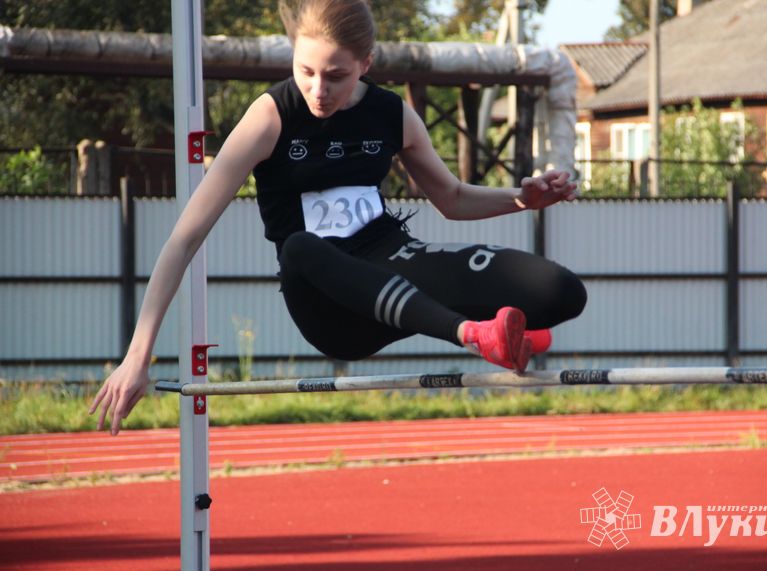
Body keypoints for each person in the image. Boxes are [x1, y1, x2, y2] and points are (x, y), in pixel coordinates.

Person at [90, 0, 586, 435]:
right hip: (327, 303)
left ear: (365, 64)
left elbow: (452, 199)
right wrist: (138, 356)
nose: (318, 88)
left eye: (336, 75)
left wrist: (523, 199)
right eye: (306, 70)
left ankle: (514, 335)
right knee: (300, 247)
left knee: (560, 290)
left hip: (392, 262)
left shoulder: (392, 114)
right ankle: (475, 335)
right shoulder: (270, 116)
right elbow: (183, 240)